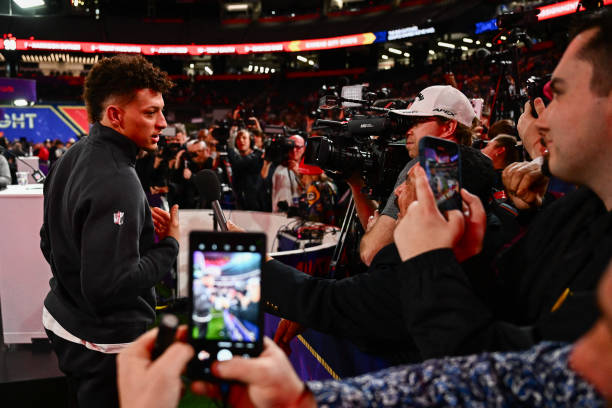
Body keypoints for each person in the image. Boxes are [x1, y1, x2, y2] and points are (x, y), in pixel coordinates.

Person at [116, 167, 612, 408]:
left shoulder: (426, 262)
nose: (398, 192)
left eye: (410, 185)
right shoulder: (508, 235)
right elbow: (499, 377)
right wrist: (303, 402)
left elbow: (469, 366)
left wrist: (428, 258)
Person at [39, 54, 180, 408]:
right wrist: (170, 246)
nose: (163, 122)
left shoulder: (71, 156)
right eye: (150, 112)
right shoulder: (118, 180)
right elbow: (107, 288)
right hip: (104, 344)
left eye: (161, 110)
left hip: (66, 323)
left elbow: (48, 240)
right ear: (115, 115)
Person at [352, 85, 477, 265]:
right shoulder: (475, 162)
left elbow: (373, 252)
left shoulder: (425, 166)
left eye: (418, 121)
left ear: (449, 126)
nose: (408, 130)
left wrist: (376, 230)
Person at [227, 129, 264, 210]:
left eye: (244, 138)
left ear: (251, 140)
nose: (241, 141)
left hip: (257, 203)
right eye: (238, 138)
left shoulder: (258, 155)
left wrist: (230, 146)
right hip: (239, 201)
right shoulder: (235, 157)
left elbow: (238, 164)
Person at [271, 134, 305, 212]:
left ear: (304, 149)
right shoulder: (278, 169)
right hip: (280, 215)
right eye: (291, 147)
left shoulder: (309, 170)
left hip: (302, 214)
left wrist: (298, 173)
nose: (294, 150)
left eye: (298, 147)